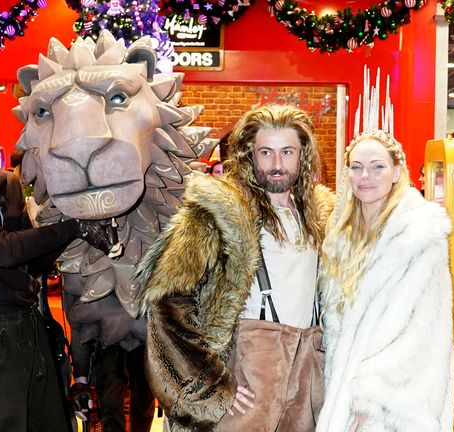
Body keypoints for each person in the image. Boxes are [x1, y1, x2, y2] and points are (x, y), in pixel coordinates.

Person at [136, 105, 334, 432]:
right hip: (246, 375)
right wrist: (209, 385)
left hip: (306, 379)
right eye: (266, 152)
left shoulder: (323, 217)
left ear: (303, 156)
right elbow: (167, 302)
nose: (277, 164)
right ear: (249, 155)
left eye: (287, 152)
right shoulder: (217, 214)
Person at [0, 82, 115, 431]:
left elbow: (32, 263)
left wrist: (81, 228)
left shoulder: (10, 183)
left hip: (31, 327)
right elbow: (3, 250)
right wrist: (73, 227)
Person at [319, 130, 454, 431]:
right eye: (356, 167)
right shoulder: (339, 235)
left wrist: (369, 400)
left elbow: (424, 332)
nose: (365, 175)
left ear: (396, 171)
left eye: (377, 166)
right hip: (342, 394)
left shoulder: (419, 234)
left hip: (392, 407)